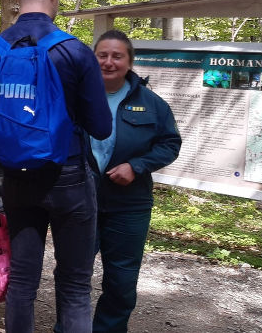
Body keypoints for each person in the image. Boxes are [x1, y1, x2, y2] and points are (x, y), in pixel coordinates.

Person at [0, 0, 112, 333]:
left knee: (22, 283)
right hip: (69, 180)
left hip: (16, 181)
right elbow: (100, 126)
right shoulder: (75, 52)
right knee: (75, 286)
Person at [90, 30, 181, 332]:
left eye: (117, 56)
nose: (108, 61)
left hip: (129, 206)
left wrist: (137, 165)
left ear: (130, 61)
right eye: (102, 55)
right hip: (80, 202)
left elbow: (170, 143)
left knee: (121, 281)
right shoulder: (75, 98)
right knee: (72, 275)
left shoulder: (153, 104)